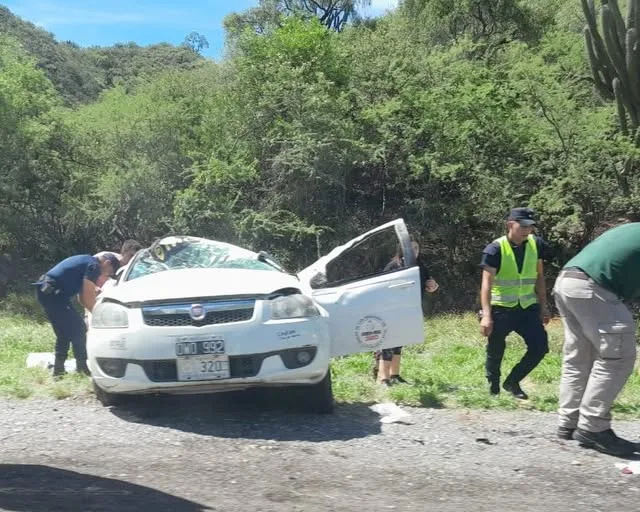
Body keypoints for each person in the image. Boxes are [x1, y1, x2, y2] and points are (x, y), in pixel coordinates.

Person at [553, 222, 640, 456]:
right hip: (594, 287)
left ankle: (569, 421)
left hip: (568, 281)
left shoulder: (631, 229)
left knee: (580, 356)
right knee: (618, 357)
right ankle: (593, 427)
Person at [479, 207, 550, 399]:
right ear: (510, 225)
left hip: (527, 307)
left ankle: (512, 382)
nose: (528, 230)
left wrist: (544, 306)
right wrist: (486, 316)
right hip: (501, 308)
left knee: (540, 347)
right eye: (524, 226)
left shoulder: (537, 245)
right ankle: (493, 387)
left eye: (531, 226)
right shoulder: (495, 249)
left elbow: (540, 277)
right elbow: (486, 284)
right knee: (496, 349)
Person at [34, 253, 120, 377]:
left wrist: (93, 311)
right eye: (108, 273)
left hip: (49, 292)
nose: (105, 276)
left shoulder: (87, 262)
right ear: (106, 263)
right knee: (79, 329)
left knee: (64, 332)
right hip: (52, 293)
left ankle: (59, 370)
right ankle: (81, 368)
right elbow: (86, 297)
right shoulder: (94, 266)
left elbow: (82, 298)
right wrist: (99, 316)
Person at [374, 236, 439, 386]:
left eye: (416, 248)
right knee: (388, 344)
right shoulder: (393, 266)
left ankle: (394, 375)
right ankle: (382, 378)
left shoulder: (420, 267)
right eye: (410, 248)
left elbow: (430, 285)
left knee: (399, 343)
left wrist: (433, 285)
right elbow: (381, 288)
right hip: (391, 310)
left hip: (409, 311)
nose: (413, 251)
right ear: (401, 249)